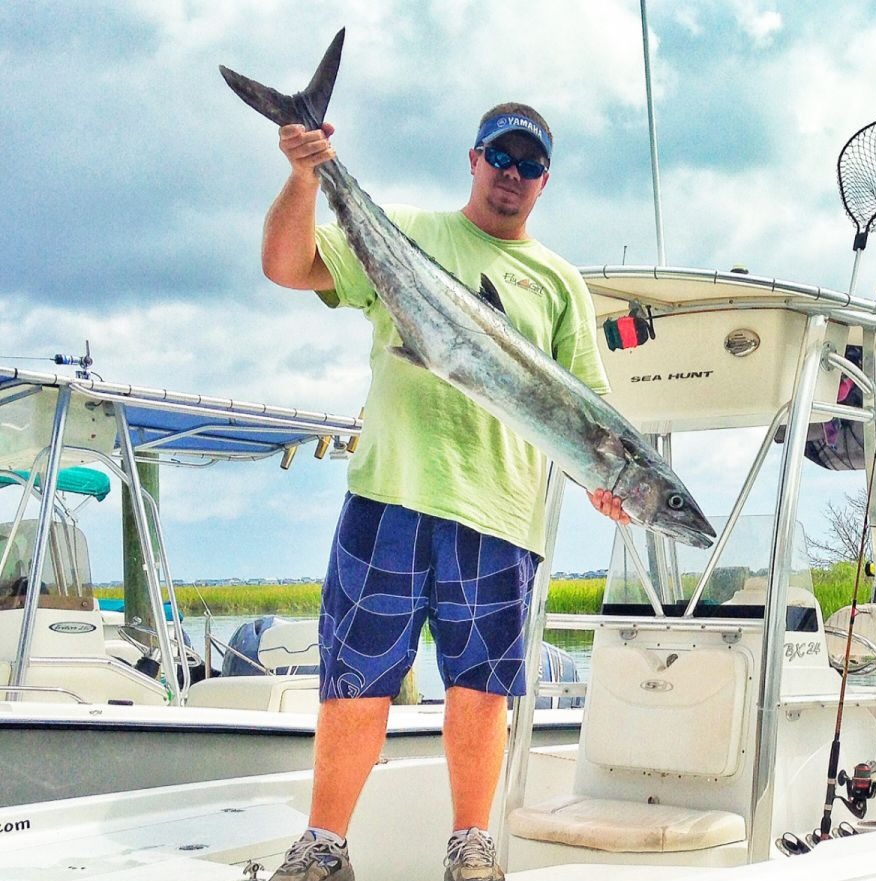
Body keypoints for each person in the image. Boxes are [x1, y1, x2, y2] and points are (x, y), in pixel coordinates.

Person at [260, 103, 628, 881]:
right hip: (387, 494)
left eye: (530, 165)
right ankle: (323, 845)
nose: (513, 175)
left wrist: (608, 479)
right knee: (354, 681)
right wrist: (305, 173)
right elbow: (287, 266)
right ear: (474, 158)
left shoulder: (559, 282)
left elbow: (587, 410)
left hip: (499, 513)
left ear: (546, 181)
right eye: (502, 157)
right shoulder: (406, 231)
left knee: (481, 690)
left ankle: (471, 847)